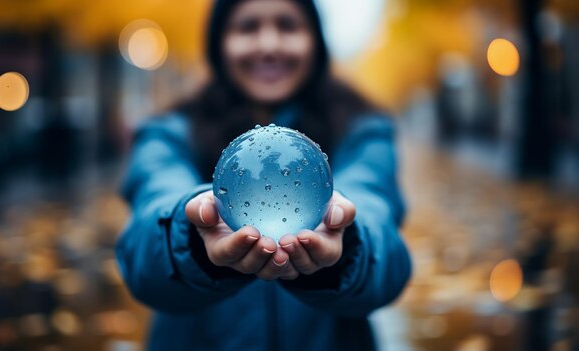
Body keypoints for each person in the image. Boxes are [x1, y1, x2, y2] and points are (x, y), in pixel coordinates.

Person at [115, 0, 411, 350]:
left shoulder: (362, 130)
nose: (268, 45)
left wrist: (346, 249)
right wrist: (194, 240)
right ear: (219, 43)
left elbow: (382, 237)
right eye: (247, 27)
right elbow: (143, 248)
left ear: (315, 40)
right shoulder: (168, 133)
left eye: (287, 25)